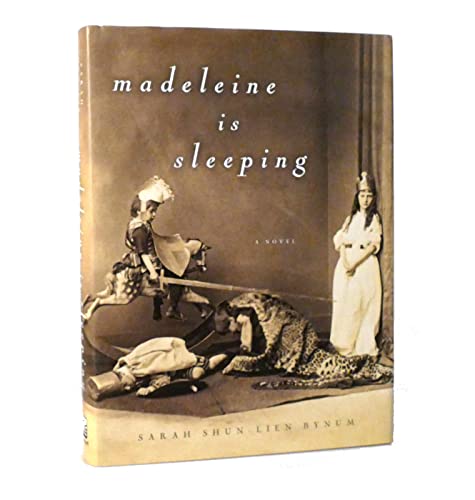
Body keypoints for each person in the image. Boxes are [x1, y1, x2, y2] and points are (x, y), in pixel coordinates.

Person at [215, 293, 391, 389]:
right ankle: (364, 365)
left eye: (230, 329)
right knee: (317, 359)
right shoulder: (240, 304)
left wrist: (240, 356)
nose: (233, 333)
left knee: (317, 363)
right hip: (293, 327)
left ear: (231, 319)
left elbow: (246, 344)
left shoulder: (242, 316)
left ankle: (365, 365)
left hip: (293, 333)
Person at [329, 171, 383, 356]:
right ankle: (343, 346)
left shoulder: (373, 219)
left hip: (364, 264)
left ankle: (359, 347)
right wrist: (346, 261)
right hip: (346, 264)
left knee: (357, 305)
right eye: (362, 195)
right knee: (343, 304)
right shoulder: (350, 219)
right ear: (357, 196)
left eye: (369, 195)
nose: (365, 199)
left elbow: (373, 245)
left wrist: (355, 264)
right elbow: (340, 239)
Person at [86, 337, 228, 400]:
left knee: (200, 370)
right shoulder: (133, 373)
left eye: (125, 385)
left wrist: (150, 389)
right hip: (175, 372)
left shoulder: (140, 369)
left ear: (123, 374)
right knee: (195, 374)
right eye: (125, 389)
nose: (129, 388)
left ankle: (223, 356)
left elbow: (160, 376)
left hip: (176, 364)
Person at [124, 176, 174, 320]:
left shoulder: (142, 224)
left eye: (155, 211)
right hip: (144, 261)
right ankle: (165, 306)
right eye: (152, 211)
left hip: (149, 256)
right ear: (140, 210)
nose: (154, 215)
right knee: (164, 274)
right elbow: (143, 253)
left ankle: (159, 306)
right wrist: (152, 271)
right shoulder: (139, 229)